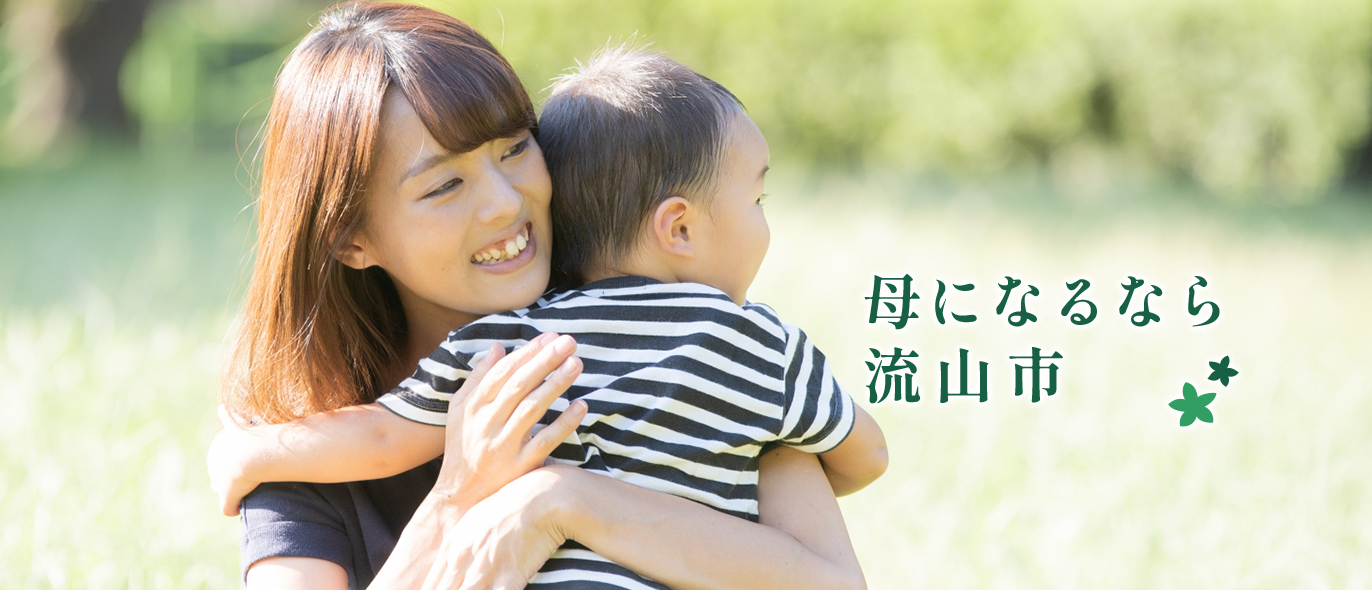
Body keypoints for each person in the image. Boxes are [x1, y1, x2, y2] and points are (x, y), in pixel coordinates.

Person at [207, 3, 881, 589]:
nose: (506, 204)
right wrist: (456, 497)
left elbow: (830, 581)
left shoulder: (685, 354)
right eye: (444, 186)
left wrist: (562, 498)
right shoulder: (309, 458)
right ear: (351, 240)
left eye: (514, 148)